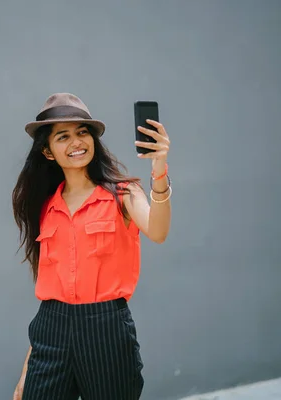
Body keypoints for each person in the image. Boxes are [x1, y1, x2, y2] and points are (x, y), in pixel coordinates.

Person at [11, 93, 172, 400]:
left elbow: (159, 230)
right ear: (47, 151)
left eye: (82, 132)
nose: (76, 142)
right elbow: (50, 293)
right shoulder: (46, 207)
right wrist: (27, 369)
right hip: (51, 330)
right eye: (63, 136)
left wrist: (159, 169)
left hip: (106, 331)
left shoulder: (123, 193)